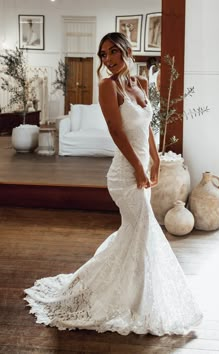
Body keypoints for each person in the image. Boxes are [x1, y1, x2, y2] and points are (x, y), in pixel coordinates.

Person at [24, 32, 202, 336]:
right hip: (124, 174)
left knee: (135, 235)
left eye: (112, 51)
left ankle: (131, 294)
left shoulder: (141, 84)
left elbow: (146, 127)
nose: (108, 59)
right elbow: (116, 133)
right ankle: (132, 299)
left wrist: (155, 160)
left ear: (127, 51)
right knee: (144, 229)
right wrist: (138, 168)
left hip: (143, 167)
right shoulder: (107, 87)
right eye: (103, 55)